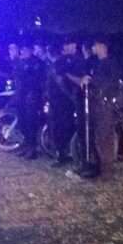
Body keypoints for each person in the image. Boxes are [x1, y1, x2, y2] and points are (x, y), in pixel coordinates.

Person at [80, 38, 122, 180]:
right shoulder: (96, 63)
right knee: (98, 136)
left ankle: (107, 170)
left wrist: (91, 80)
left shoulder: (111, 63)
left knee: (104, 137)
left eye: (95, 45)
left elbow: (109, 82)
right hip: (96, 104)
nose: (93, 47)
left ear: (103, 47)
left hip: (106, 105)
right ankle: (99, 167)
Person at [46, 40, 82, 168]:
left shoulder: (72, 61)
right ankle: (62, 154)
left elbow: (63, 82)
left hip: (63, 101)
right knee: (59, 128)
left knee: (63, 128)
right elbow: (60, 82)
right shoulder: (61, 62)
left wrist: (72, 98)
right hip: (59, 101)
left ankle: (65, 154)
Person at [13, 43, 46, 159]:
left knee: (31, 123)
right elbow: (16, 76)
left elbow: (36, 80)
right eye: (22, 49)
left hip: (31, 96)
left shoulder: (37, 63)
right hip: (21, 96)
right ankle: (26, 145)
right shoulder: (20, 62)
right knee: (22, 122)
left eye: (25, 49)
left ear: (31, 50)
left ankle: (32, 148)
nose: (23, 52)